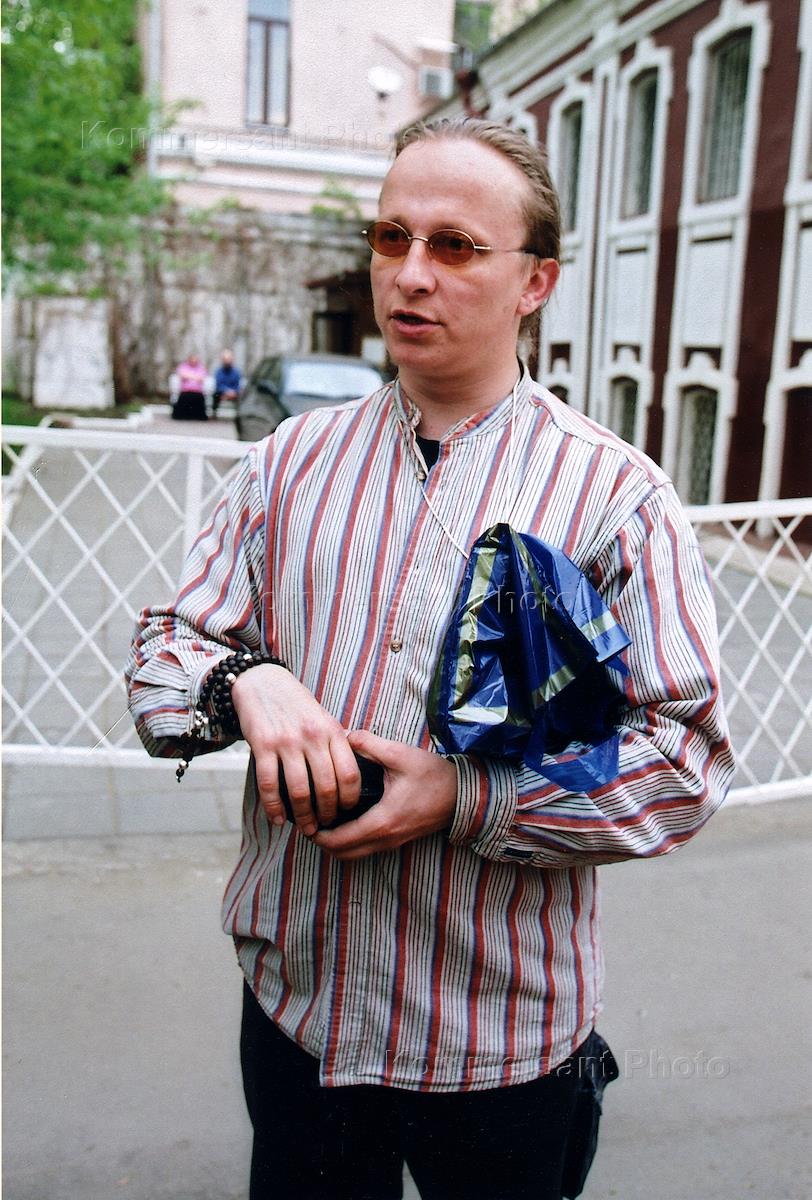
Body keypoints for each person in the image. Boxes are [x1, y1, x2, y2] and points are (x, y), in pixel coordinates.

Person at [127, 117, 734, 1200]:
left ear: (535, 281)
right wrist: (244, 681)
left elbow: (683, 762)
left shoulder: (615, 497)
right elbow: (166, 649)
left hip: (499, 1042)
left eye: (455, 246)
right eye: (390, 236)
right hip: (300, 1015)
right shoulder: (288, 464)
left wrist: (466, 798)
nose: (409, 274)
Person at [172, 352, 207, 421]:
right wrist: (195, 377)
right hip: (186, 391)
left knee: (199, 399)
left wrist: (190, 377)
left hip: (197, 392)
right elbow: (182, 375)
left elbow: (202, 378)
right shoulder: (183, 366)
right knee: (184, 398)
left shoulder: (201, 367)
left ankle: (197, 416)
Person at [213, 348, 242, 415]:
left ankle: (239, 415)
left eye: (228, 359)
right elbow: (218, 385)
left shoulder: (237, 372)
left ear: (232, 359)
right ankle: (214, 414)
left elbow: (237, 385)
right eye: (225, 359)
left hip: (234, 393)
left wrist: (232, 393)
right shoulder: (218, 371)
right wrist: (226, 392)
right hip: (222, 393)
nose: (227, 361)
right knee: (215, 395)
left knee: (241, 397)